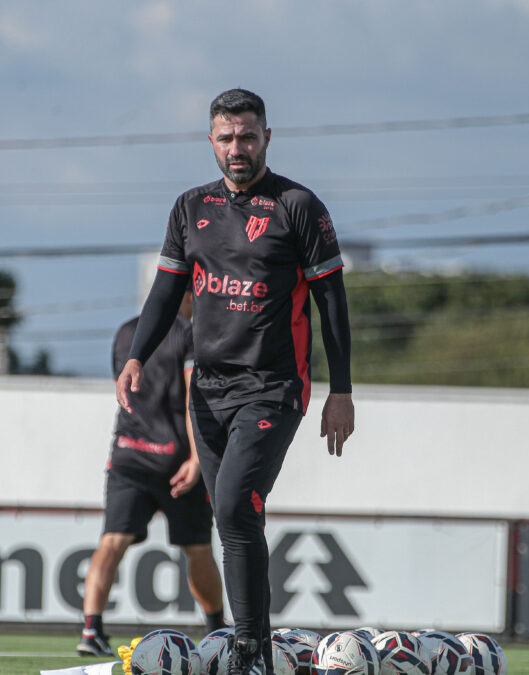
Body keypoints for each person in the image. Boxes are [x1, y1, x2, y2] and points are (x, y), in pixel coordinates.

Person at [115, 89, 354, 675]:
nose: (237, 148)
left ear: (266, 138)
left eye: (247, 136)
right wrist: (138, 355)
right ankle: (259, 652)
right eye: (226, 138)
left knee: (233, 506)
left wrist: (342, 390)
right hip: (208, 391)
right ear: (211, 142)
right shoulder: (190, 207)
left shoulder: (298, 206)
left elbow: (332, 303)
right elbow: (166, 292)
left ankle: (247, 649)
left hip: (273, 388)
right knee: (234, 520)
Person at [79, 289, 227, 656]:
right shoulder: (188, 332)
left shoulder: (125, 332)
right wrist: (196, 458)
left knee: (111, 542)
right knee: (198, 548)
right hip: (176, 461)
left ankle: (91, 630)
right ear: (188, 294)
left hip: (128, 454)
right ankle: (216, 630)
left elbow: (123, 389)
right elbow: (194, 399)